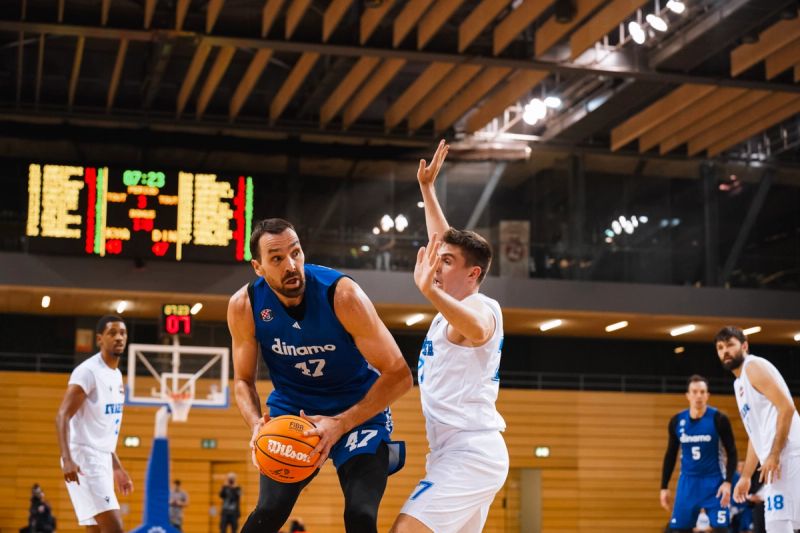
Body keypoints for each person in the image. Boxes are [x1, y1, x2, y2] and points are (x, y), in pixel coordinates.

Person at [227, 218, 412, 533]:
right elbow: (243, 381)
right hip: (293, 412)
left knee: (361, 514)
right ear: (258, 267)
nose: (291, 265)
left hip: (357, 412)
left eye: (295, 253)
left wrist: (340, 423)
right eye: (277, 258)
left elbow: (400, 375)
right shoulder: (245, 305)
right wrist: (256, 423)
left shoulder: (342, 295)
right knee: (269, 511)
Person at [390, 139, 509, 533]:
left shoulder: (481, 308)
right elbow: (443, 240)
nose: (436, 266)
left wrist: (431, 292)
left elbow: (479, 330)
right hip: (451, 452)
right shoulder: (451, 307)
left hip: (470, 452)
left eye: (446, 263)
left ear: (473, 274)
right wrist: (427, 189)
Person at [715, 326, 800, 533]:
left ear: (744, 346)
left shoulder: (752, 367)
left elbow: (787, 408)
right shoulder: (739, 384)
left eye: (730, 345)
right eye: (720, 348)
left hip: (788, 455)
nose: (725, 351)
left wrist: (774, 454)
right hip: (776, 461)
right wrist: (746, 476)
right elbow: (756, 434)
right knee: (781, 524)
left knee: (777, 524)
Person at [55, 315, 133, 532]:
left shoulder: (116, 375)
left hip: (102, 457)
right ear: (100, 339)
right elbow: (62, 415)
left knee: (96, 529)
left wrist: (116, 466)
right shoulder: (88, 372)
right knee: (114, 529)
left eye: (123, 333)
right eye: (112, 333)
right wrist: (67, 459)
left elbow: (103, 429)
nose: (119, 337)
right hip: (84, 457)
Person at [660, 374, 738, 532]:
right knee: (677, 529)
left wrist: (728, 482)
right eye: (694, 392)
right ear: (687, 395)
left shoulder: (719, 419)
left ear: (707, 395)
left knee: (722, 529)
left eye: (702, 392)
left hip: (715, 482)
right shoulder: (677, 421)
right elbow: (670, 455)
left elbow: (732, 452)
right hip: (688, 483)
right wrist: (664, 486)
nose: (699, 396)